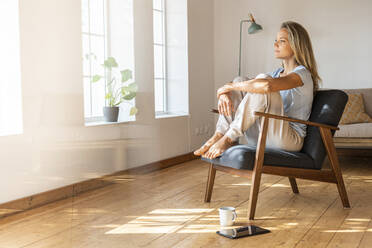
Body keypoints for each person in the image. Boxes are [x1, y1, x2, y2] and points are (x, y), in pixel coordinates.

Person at [194, 21, 321, 159]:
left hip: (289, 140)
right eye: (275, 40)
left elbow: (266, 86)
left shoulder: (303, 74)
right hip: (266, 133)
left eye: (282, 41)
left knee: (262, 82)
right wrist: (224, 92)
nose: (275, 44)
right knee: (240, 80)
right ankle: (220, 134)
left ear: (296, 45)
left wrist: (228, 88)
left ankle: (229, 138)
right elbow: (243, 83)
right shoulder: (277, 73)